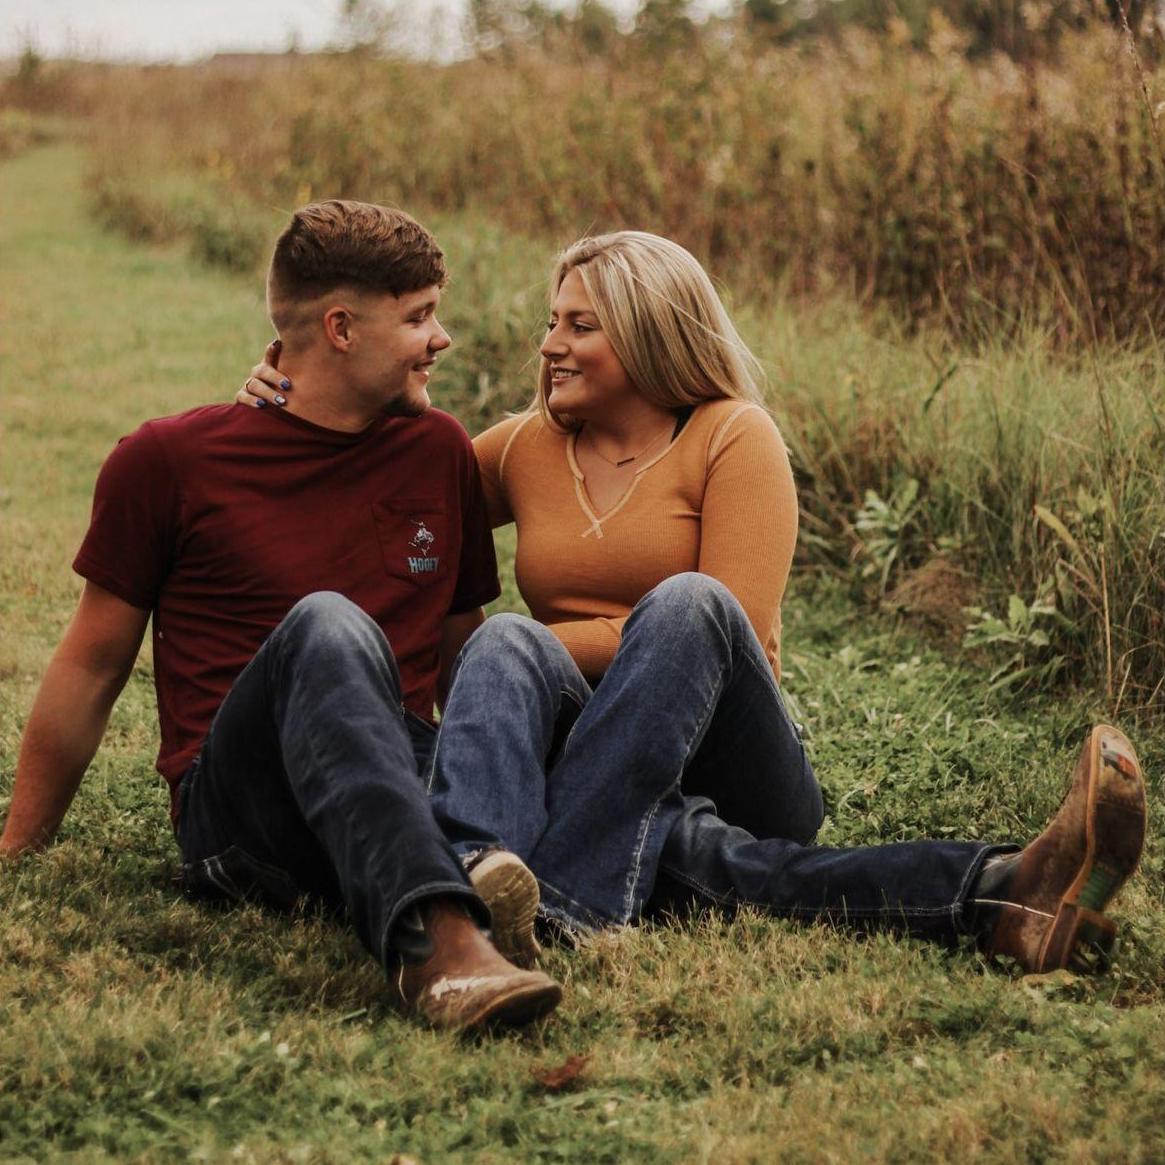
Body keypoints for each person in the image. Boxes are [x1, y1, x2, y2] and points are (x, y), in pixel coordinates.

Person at [238, 230, 1148, 976]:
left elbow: (730, 629)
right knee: (710, 857)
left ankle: (551, 891)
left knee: (684, 607)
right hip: (591, 770)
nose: (548, 345)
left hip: (729, 751)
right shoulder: (521, 447)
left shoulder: (731, 436)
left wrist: (549, 647)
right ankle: (1006, 892)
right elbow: (382, 499)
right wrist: (286, 396)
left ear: (647, 334)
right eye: (551, 322)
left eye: (579, 325)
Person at [1, 200, 562, 1033]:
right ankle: (442, 948)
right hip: (243, 809)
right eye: (418, 317)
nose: (440, 338)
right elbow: (91, 665)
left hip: (393, 772)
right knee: (327, 625)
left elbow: (461, 659)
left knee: (505, 681)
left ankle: (773, 877)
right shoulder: (169, 460)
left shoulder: (437, 449)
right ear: (340, 328)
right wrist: (19, 846)